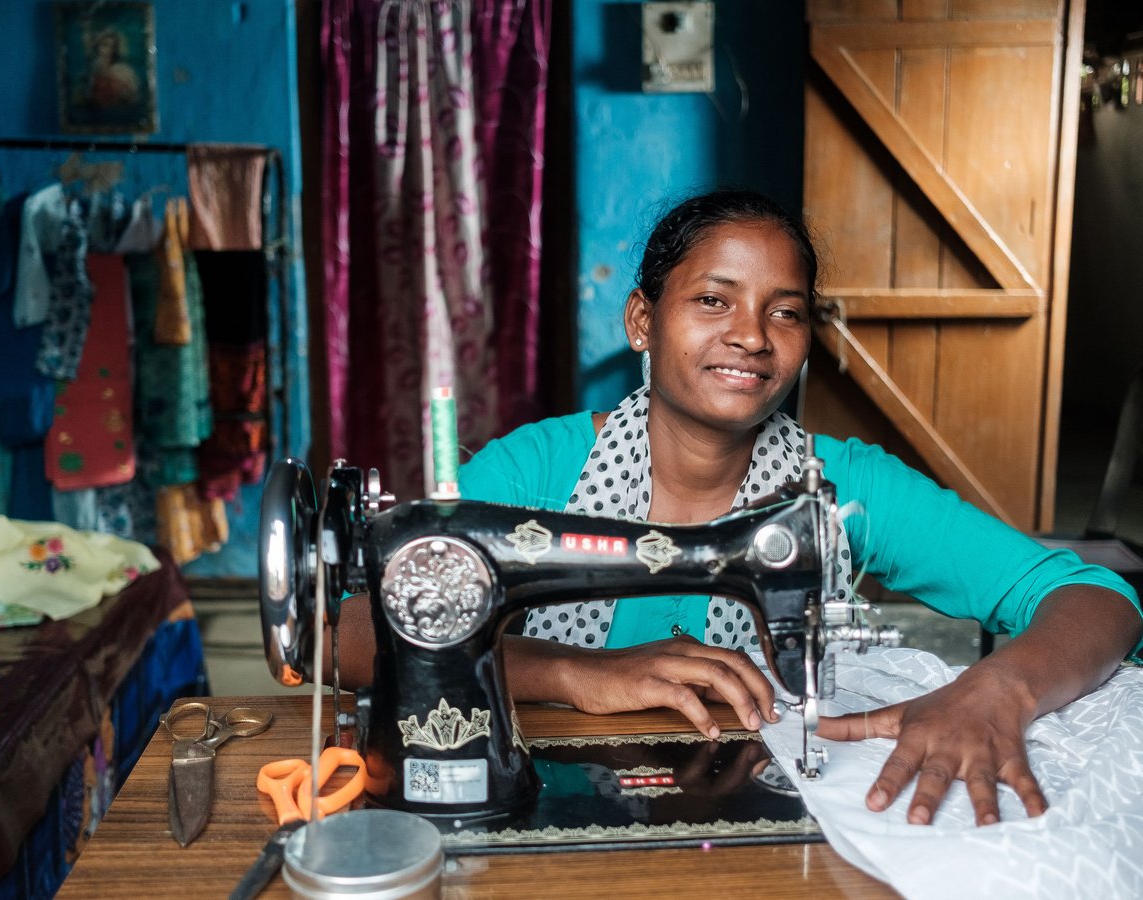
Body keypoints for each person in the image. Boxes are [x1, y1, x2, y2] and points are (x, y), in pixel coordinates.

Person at [334, 188, 1143, 828]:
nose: (753, 336)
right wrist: (573, 674)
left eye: (784, 311)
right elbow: (361, 630)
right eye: (715, 301)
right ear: (643, 321)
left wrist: (998, 690)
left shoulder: (846, 486)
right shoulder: (541, 469)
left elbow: (1098, 599)